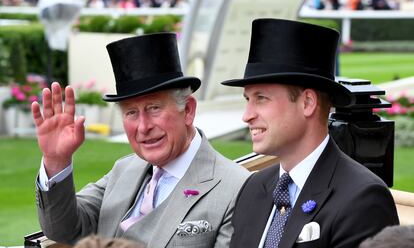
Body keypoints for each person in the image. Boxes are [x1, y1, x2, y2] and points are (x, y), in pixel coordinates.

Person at [32, 33, 249, 247]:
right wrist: (56, 160)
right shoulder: (123, 170)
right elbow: (63, 229)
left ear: (188, 110)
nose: (144, 127)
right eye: (131, 113)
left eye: (154, 108)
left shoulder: (236, 188)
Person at [221, 18, 399, 248]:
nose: (247, 115)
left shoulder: (361, 199)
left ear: (307, 103)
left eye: (261, 99)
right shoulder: (255, 188)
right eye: (248, 100)